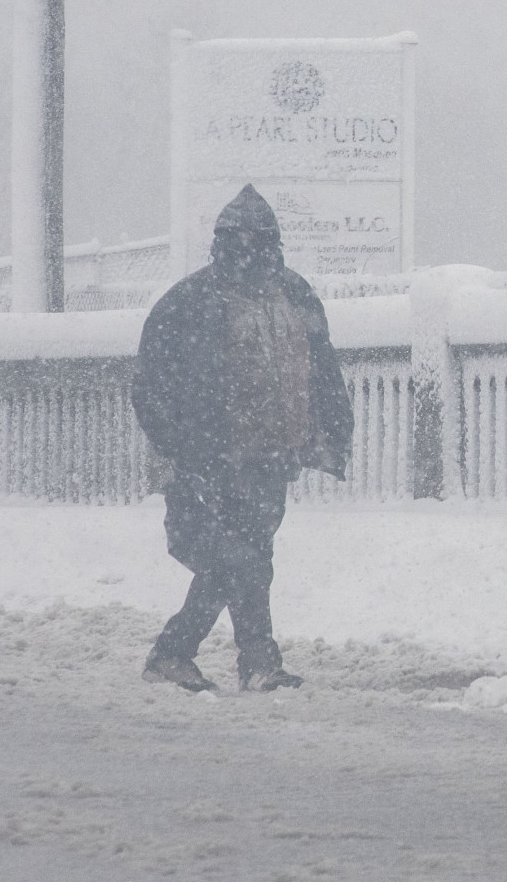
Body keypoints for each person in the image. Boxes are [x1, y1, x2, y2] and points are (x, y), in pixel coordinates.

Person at [132, 185, 352, 694]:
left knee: (246, 561)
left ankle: (211, 658)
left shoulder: (294, 295)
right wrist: (185, 448)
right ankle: (238, 659)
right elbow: (151, 387)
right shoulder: (188, 303)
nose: (251, 254)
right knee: (237, 560)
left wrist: (328, 430)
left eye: (260, 243)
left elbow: (322, 367)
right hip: (208, 460)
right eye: (241, 243)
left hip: (270, 458)